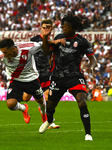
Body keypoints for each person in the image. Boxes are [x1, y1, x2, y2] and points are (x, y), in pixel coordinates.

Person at [39, 12, 97, 141]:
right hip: (57, 78)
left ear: (73, 28)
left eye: (67, 27)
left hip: (74, 77)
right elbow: (45, 52)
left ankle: (88, 134)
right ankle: (49, 120)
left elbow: (92, 58)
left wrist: (92, 67)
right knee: (50, 107)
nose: (64, 29)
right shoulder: (59, 37)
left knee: (82, 101)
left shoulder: (82, 41)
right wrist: (45, 38)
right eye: (63, 26)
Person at [22, 19, 62, 129]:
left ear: (52, 29)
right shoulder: (35, 40)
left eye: (49, 27)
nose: (46, 29)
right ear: (41, 28)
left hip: (46, 73)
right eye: (44, 27)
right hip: (33, 73)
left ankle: (49, 121)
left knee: (47, 96)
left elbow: (50, 57)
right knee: (26, 97)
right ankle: (24, 108)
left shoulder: (52, 42)